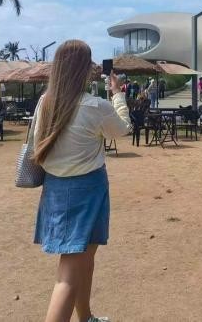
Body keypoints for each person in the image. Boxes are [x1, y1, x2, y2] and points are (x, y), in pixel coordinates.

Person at [32, 40, 130, 322]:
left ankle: (86, 317)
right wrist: (118, 94)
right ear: (84, 69)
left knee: (84, 260)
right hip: (87, 188)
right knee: (68, 274)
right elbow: (122, 129)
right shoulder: (95, 106)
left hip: (56, 187)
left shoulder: (46, 101)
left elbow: (38, 142)